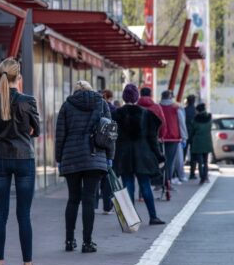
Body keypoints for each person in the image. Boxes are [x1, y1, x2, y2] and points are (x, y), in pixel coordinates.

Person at [0, 57, 40, 265]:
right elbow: (36, 130)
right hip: (24, 157)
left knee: (0, 214)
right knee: (24, 214)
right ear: (19, 77)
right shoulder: (28, 100)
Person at [56, 80, 113, 253]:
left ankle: (69, 240)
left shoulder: (67, 105)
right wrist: (109, 157)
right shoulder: (102, 104)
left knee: (73, 199)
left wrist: (59, 159)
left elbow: (60, 134)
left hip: (71, 156)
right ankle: (87, 242)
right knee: (89, 199)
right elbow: (110, 132)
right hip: (95, 156)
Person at [113, 84, 166, 225]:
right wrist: (159, 156)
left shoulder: (116, 114)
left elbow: (112, 138)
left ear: (124, 97)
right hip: (143, 154)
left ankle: (131, 219)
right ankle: (153, 216)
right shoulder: (146, 114)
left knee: (127, 185)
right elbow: (152, 139)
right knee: (145, 185)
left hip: (124, 155)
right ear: (136, 97)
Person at [94, 89, 116, 214]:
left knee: (94, 180)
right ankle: (107, 206)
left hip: (92, 151)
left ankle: (93, 204)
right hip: (105, 149)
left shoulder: (88, 110)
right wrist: (111, 156)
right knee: (106, 180)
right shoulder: (111, 110)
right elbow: (112, 135)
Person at [160, 90, 186, 190]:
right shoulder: (176, 107)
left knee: (161, 161)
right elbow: (181, 123)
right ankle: (168, 182)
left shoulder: (158, 106)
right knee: (170, 162)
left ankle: (160, 182)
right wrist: (184, 137)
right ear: (170, 97)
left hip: (161, 138)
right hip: (173, 138)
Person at [189, 103, 213, 184]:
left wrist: (190, 139)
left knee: (200, 161)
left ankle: (202, 177)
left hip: (198, 142)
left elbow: (192, 131)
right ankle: (205, 176)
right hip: (207, 141)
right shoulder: (209, 118)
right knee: (205, 161)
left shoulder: (195, 119)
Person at [184, 95, 197, 179]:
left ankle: (179, 173)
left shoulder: (184, 110)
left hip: (185, 134)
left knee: (182, 154)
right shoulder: (196, 111)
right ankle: (192, 173)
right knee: (193, 155)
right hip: (194, 135)